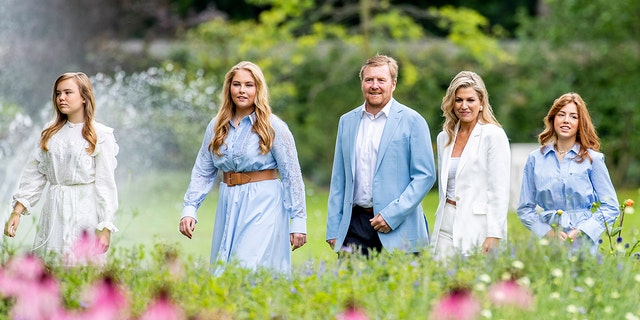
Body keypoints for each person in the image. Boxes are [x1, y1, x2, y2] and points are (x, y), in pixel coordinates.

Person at [179, 61, 306, 274]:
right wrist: (190, 209)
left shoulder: (273, 126)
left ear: (258, 89)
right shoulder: (216, 125)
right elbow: (203, 169)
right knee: (224, 269)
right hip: (229, 200)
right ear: (229, 88)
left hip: (263, 201)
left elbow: (292, 175)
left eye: (249, 85)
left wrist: (299, 221)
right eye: (237, 84)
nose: (242, 90)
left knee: (247, 267)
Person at [3, 72, 119, 265]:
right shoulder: (50, 132)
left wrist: (105, 228)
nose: (61, 98)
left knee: (81, 267)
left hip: (85, 211)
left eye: (68, 92)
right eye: (58, 93)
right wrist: (17, 211)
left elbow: (105, 184)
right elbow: (35, 174)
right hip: (55, 211)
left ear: (83, 97)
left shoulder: (99, 135)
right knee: (52, 265)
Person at [325, 54, 436, 256]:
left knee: (401, 287)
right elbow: (339, 178)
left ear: (393, 84)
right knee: (352, 287)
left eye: (381, 80)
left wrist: (391, 215)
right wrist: (334, 226)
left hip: (400, 226)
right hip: (355, 225)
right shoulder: (347, 122)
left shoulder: (413, 121)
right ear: (362, 83)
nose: (374, 85)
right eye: (369, 80)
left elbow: (425, 176)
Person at [516, 92, 619, 254]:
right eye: (561, 115)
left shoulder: (593, 159)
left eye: (573, 117)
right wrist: (548, 233)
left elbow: (611, 206)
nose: (566, 120)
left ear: (580, 123)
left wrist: (581, 231)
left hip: (583, 242)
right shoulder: (535, 159)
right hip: (547, 243)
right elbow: (524, 208)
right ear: (553, 119)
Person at [431, 71, 511, 259]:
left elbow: (499, 190)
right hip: (445, 221)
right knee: (442, 281)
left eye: (470, 100)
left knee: (473, 284)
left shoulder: (493, 135)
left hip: (478, 225)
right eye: (458, 100)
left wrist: (494, 234)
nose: (464, 106)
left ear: (481, 102)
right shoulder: (445, 137)